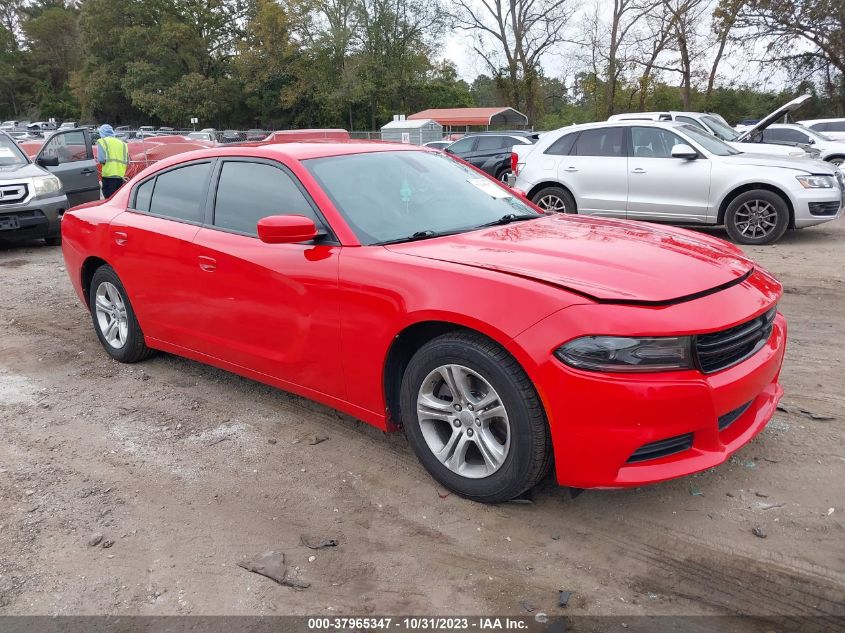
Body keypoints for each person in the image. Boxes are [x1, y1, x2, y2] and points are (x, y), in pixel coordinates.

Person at [96, 124, 129, 198]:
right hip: (120, 176)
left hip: (108, 175)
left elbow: (101, 160)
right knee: (117, 198)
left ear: (102, 132)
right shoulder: (123, 144)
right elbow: (127, 161)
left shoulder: (102, 141)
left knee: (109, 199)